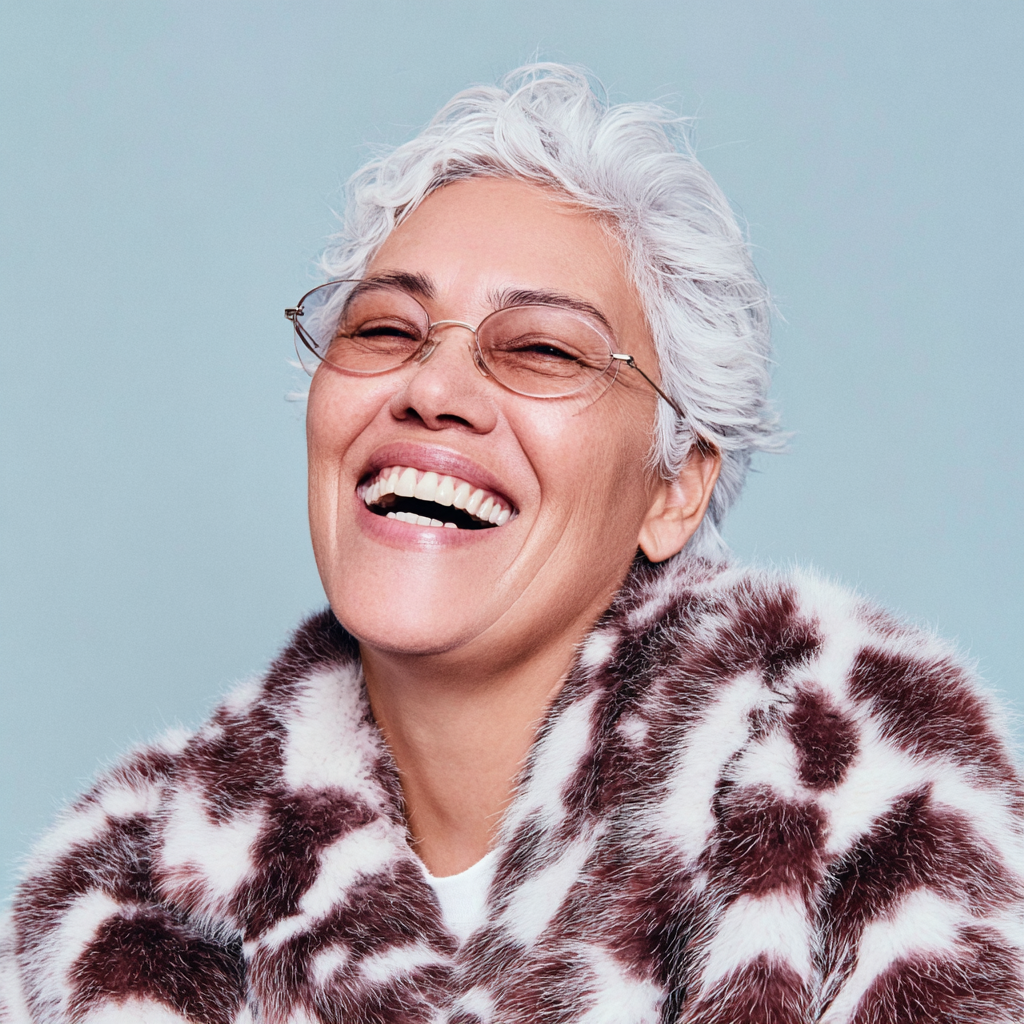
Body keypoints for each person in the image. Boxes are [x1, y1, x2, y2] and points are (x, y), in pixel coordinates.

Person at [2, 63, 1022, 1024]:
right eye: (384, 330)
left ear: (674, 486)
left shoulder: (860, 795)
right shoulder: (124, 891)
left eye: (540, 348)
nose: (431, 390)